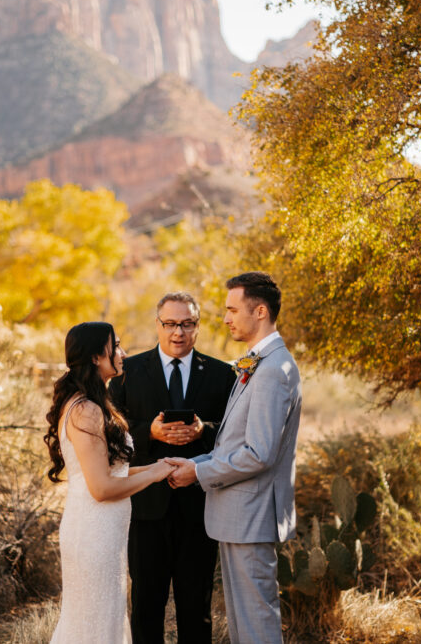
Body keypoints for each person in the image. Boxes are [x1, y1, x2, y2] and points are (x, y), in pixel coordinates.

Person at [166, 273, 302, 644]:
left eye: (232, 310)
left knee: (256, 624)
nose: (225, 318)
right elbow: (235, 442)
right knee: (244, 626)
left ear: (260, 312)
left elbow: (259, 453)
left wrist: (198, 473)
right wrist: (196, 464)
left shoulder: (273, 370)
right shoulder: (260, 362)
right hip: (238, 516)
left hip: (251, 516)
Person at [108, 293, 236, 644]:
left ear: (197, 326)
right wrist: (148, 432)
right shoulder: (127, 372)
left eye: (187, 324)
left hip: (200, 507)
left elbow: (235, 433)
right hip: (146, 507)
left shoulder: (223, 374)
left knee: (196, 607)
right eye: (170, 324)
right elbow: (110, 434)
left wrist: (203, 430)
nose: (178, 332)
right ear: (158, 325)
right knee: (146, 605)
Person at [44, 321, 176, 644]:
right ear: (94, 357)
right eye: (115, 346)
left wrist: (157, 468)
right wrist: (155, 475)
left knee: (105, 617)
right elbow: (102, 488)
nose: (123, 353)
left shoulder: (93, 404)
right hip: (93, 533)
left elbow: (113, 472)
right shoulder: (85, 411)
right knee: (94, 622)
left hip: (104, 531)